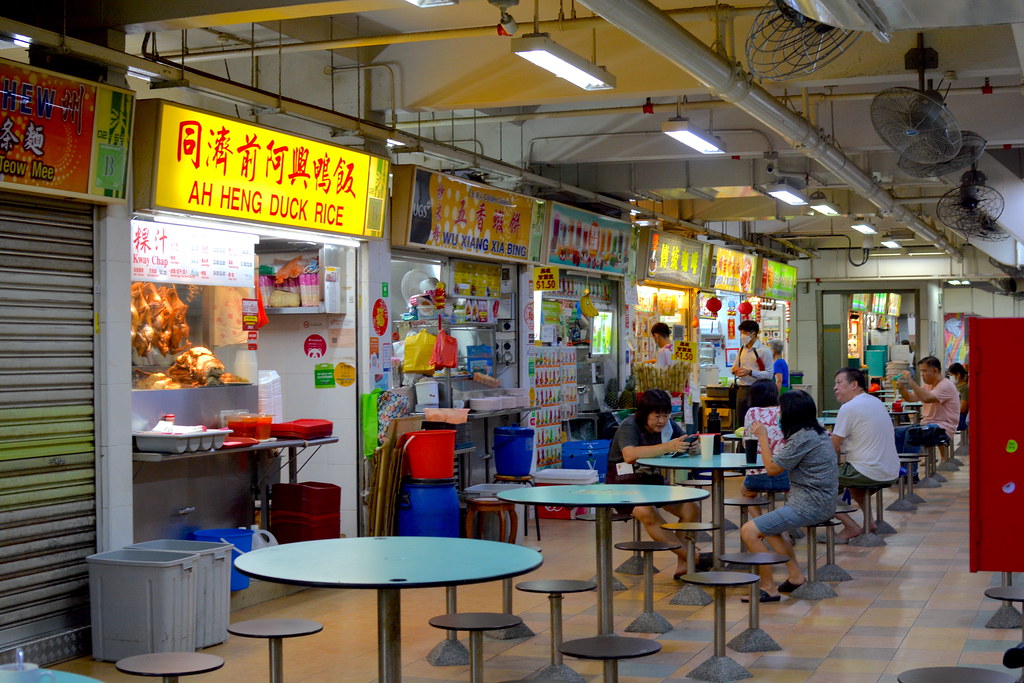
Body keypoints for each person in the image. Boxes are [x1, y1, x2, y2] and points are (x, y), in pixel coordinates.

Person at [739, 390, 838, 601]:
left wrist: (763, 437)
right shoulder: (816, 433)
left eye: (781, 411)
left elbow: (773, 468)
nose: (778, 416)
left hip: (810, 506)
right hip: (820, 502)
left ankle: (768, 587)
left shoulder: (803, 437)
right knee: (771, 529)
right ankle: (795, 577)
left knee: (749, 531)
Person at [606, 388, 701, 578]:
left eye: (666, 415)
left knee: (692, 508)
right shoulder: (630, 425)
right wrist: (667, 446)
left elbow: (681, 442)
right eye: (657, 415)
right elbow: (629, 454)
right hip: (623, 485)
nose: (662, 421)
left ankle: (684, 563)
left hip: (654, 483)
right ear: (644, 414)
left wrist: (692, 447)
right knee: (646, 511)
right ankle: (693, 557)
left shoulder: (668, 426)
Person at [831, 368, 900, 541]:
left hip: (868, 471)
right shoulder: (876, 402)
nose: (835, 388)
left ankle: (850, 527)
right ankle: (869, 523)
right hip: (891, 470)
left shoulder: (848, 408)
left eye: (839, 383)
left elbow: (832, 447)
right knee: (853, 484)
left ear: (854, 385)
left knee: (817, 485)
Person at [739, 379, 788, 516]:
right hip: (784, 475)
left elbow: (746, 444)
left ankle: (762, 524)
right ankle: (783, 525)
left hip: (757, 476)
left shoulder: (752, 412)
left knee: (746, 493)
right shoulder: (784, 410)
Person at [893, 356, 960, 455]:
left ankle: (911, 469)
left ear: (935, 370)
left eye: (924, 371)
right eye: (921, 372)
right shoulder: (927, 385)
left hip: (943, 428)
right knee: (896, 433)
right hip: (927, 424)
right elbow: (911, 398)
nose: (922, 375)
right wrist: (902, 388)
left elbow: (926, 398)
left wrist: (910, 381)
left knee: (912, 434)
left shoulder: (945, 385)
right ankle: (901, 465)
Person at [731, 319, 774, 424]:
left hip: (758, 390)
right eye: (741, 333)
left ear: (753, 333)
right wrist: (734, 370)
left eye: (745, 333)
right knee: (741, 421)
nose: (742, 336)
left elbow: (769, 374)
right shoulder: (741, 349)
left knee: (757, 421)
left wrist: (750, 372)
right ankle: (742, 440)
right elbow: (734, 366)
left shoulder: (764, 351)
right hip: (742, 389)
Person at [948, 362, 969, 431]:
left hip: (961, 417)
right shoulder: (956, 387)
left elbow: (963, 408)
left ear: (958, 375)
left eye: (951, 375)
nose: (950, 377)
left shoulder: (965, 388)